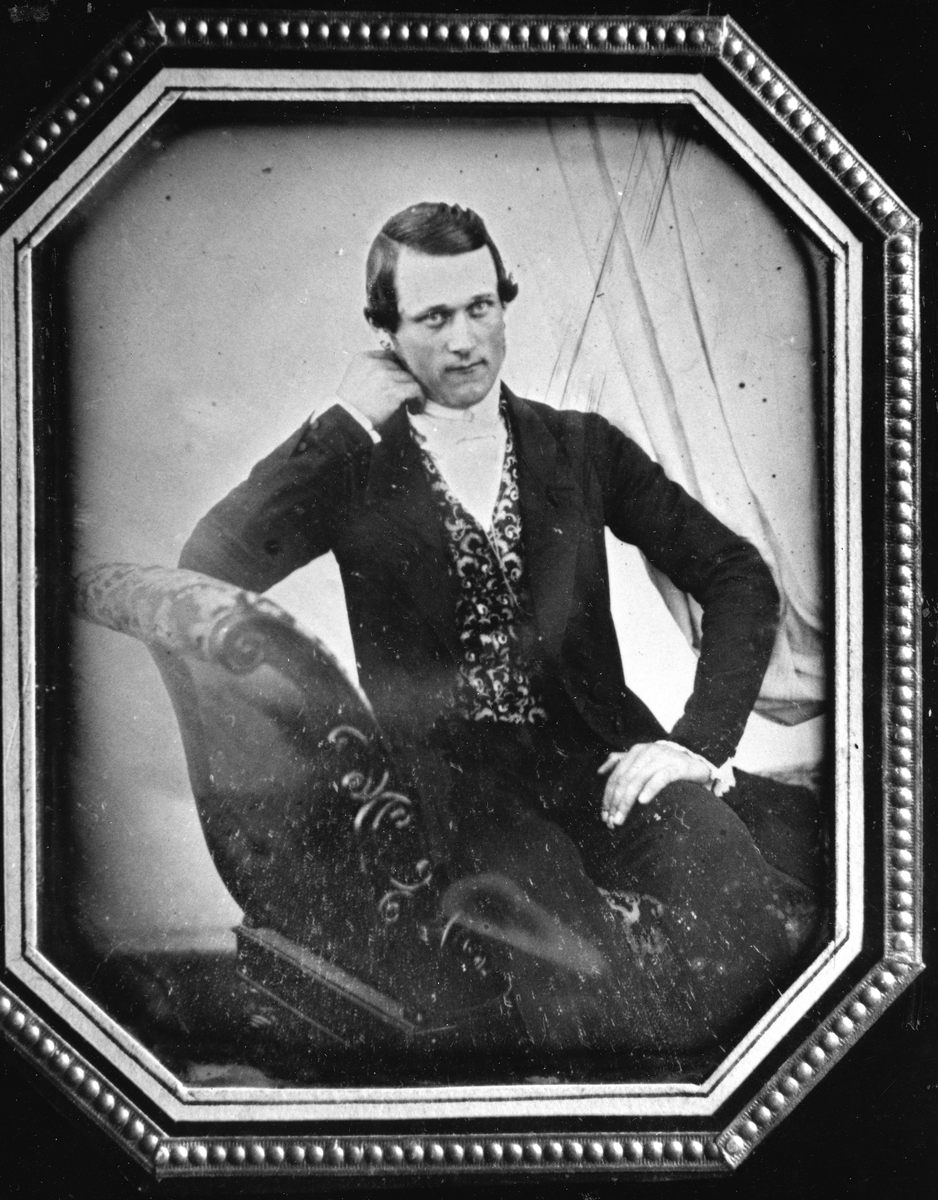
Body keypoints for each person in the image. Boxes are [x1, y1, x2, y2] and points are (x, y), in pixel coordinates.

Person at [180, 202, 823, 1063]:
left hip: (601, 759)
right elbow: (209, 561)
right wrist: (340, 421)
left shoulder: (579, 448)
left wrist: (695, 743)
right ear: (384, 333)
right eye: (433, 318)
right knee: (573, 964)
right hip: (457, 792)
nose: (464, 341)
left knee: (738, 893)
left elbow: (736, 574)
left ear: (503, 304)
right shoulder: (353, 465)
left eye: (480, 307)